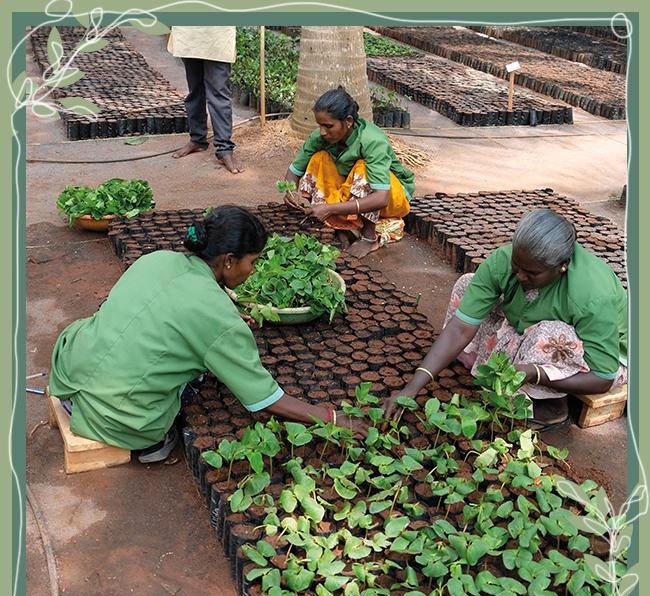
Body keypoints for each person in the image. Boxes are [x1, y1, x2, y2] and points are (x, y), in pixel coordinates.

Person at [49, 206, 358, 463]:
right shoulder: (219, 317)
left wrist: (223, 316)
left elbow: (158, 308)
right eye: (253, 261)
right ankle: (150, 445)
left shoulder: (157, 259)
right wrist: (333, 419)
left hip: (68, 374)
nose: (253, 271)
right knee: (194, 379)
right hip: (114, 418)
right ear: (228, 260)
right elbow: (265, 400)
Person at [384, 209, 628, 432]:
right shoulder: (504, 261)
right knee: (467, 284)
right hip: (533, 324)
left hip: (605, 359)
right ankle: (479, 362)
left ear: (562, 266)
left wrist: (535, 374)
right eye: (516, 266)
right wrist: (411, 389)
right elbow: (461, 327)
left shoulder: (593, 294)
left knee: (548, 336)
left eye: (532, 273)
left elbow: (602, 378)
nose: (520, 276)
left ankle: (551, 409)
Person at [282, 87, 415, 259]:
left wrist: (330, 208)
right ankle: (340, 226)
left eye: (328, 126)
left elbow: (381, 197)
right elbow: (294, 171)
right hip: (350, 192)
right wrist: (291, 192)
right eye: (320, 125)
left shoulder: (372, 140)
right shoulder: (322, 137)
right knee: (318, 159)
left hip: (391, 198)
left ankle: (368, 237)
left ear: (349, 121)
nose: (322, 132)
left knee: (362, 168)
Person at [168, 26, 243, 174]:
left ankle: (224, 149)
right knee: (195, 90)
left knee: (218, 94)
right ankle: (197, 139)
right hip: (189, 31)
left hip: (217, 32)